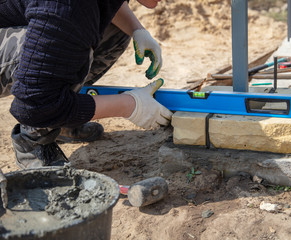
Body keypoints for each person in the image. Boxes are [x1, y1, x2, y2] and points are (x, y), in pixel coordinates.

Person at [0, 0, 173, 169]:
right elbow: (35, 106)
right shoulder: (67, 8)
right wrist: (130, 105)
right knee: (69, 48)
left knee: (113, 29)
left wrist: (137, 29)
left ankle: (60, 122)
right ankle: (33, 140)